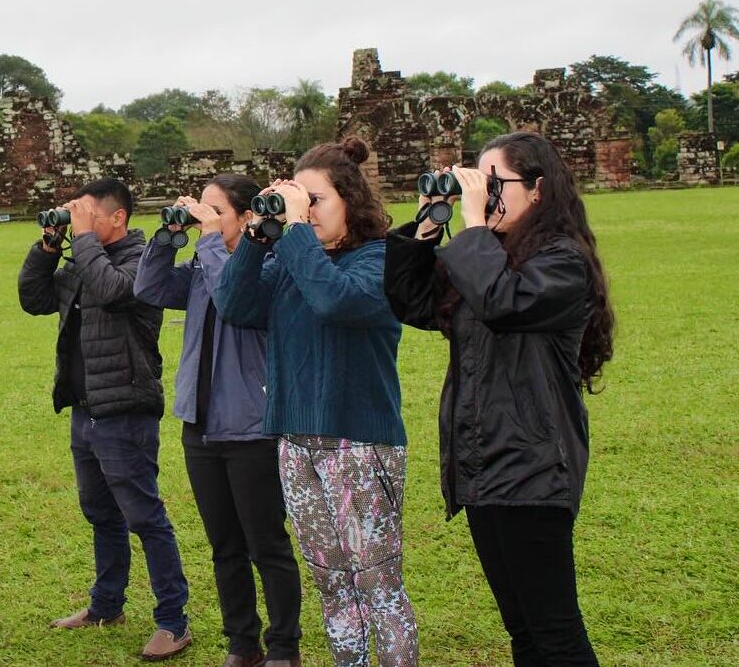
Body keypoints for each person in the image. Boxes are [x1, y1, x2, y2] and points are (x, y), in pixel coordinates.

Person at [384, 131, 613, 666]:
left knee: (556, 632)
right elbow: (412, 302)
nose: (483, 195)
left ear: (537, 190)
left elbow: (500, 302)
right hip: (481, 462)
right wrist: (424, 230)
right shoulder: (486, 256)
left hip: (532, 467)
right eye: (477, 182)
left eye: (495, 183)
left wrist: (471, 226)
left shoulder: (562, 262)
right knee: (523, 630)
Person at [214, 139, 418, 667]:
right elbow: (234, 305)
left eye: (316, 200)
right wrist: (259, 236)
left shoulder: (382, 258)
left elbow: (335, 300)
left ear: (350, 200)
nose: (305, 212)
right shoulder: (292, 259)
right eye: (298, 201)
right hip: (295, 442)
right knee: (331, 582)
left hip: (360, 443)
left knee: (377, 585)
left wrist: (296, 233)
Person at [17, 177, 192, 662]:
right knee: (100, 513)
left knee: (145, 516)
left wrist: (84, 241)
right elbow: (33, 299)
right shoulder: (83, 259)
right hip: (86, 407)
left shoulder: (144, 262)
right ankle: (106, 605)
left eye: (88, 214)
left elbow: (115, 292)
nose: (79, 223)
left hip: (126, 409)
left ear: (118, 218)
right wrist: (49, 247)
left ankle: (173, 621)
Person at [134, 174, 304, 667]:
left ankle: (284, 648)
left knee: (265, 545)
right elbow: (148, 287)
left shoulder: (269, 268)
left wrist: (208, 241)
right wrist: (168, 236)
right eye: (201, 210)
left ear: (249, 216)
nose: (205, 219)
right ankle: (242, 645)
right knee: (224, 545)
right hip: (201, 425)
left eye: (216, 212)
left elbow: (234, 296)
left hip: (251, 426)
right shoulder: (201, 267)